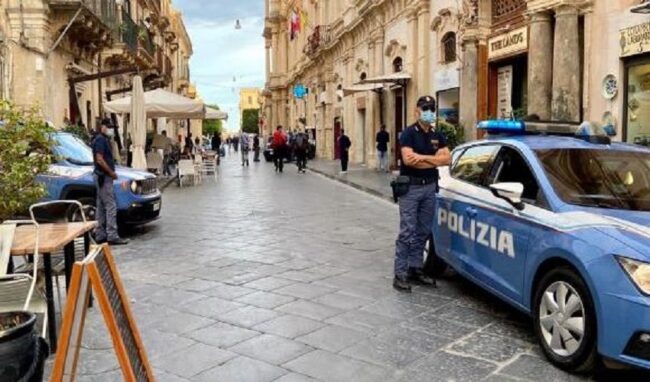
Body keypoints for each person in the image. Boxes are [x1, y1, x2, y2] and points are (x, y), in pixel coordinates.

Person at [393, 96, 451, 292]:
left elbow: (447, 159)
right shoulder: (408, 134)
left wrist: (423, 158)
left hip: (429, 187)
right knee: (407, 231)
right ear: (416, 111)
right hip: (411, 188)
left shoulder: (437, 135)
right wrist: (434, 159)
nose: (429, 111)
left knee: (424, 230)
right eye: (425, 108)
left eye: (432, 108)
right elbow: (409, 161)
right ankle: (400, 273)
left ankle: (415, 268)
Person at [91, 119, 128, 245]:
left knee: (101, 206)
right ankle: (112, 235)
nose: (111, 129)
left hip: (101, 176)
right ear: (102, 127)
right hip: (104, 177)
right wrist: (111, 173)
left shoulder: (101, 139)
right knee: (111, 206)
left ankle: (100, 234)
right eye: (109, 127)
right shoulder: (101, 140)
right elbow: (100, 159)